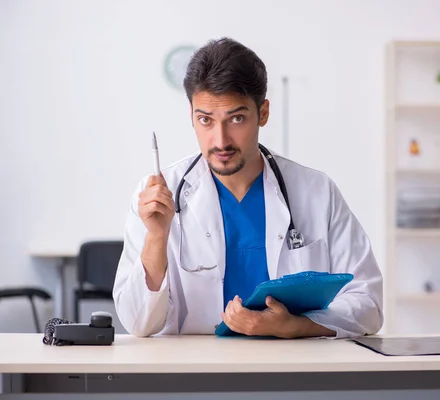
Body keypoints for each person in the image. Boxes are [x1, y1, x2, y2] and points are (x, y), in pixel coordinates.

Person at [113, 37, 383, 339]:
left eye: (237, 118)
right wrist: (157, 236)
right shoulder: (159, 196)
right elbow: (138, 323)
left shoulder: (316, 192)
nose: (221, 140)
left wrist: (295, 327)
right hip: (192, 374)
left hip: (292, 371)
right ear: (191, 114)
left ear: (263, 113)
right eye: (205, 120)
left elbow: (368, 304)